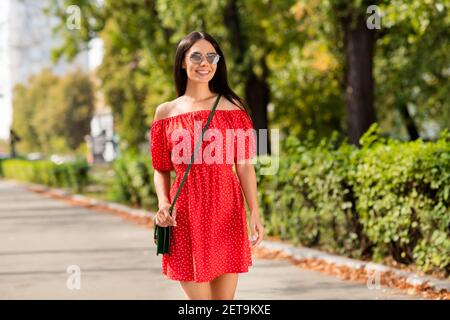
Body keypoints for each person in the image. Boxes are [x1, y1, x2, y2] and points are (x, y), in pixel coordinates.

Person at [149, 31, 265, 300]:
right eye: (196, 56)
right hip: (185, 214)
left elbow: (245, 166)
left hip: (227, 211)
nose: (204, 63)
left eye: (211, 56)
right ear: (182, 62)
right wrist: (163, 204)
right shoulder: (166, 113)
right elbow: (160, 168)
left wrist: (255, 211)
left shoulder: (234, 109)